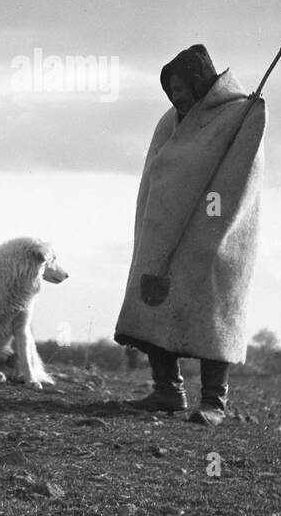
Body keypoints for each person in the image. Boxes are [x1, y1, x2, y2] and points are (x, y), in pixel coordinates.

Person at [114, 44, 266, 426]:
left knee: (215, 308)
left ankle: (214, 401)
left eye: (182, 86)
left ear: (200, 83)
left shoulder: (239, 115)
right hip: (164, 230)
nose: (176, 94)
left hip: (214, 233)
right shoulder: (171, 121)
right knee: (153, 298)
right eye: (172, 88)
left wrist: (208, 222)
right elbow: (161, 174)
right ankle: (168, 390)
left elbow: (238, 179)